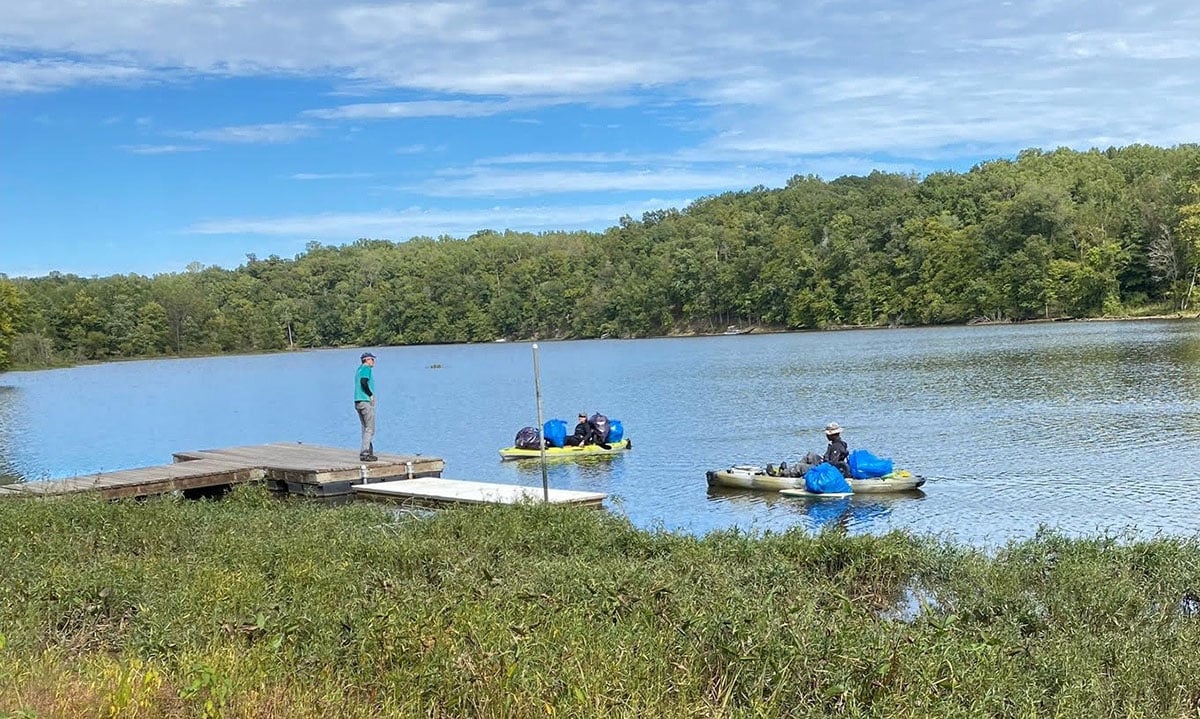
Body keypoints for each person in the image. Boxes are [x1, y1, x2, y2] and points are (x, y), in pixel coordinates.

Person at [354, 352, 377, 461]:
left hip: (357, 401)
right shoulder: (366, 369)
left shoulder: (359, 369)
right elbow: (364, 382)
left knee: (365, 427)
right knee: (370, 428)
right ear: (367, 360)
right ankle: (365, 453)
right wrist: (370, 395)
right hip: (364, 401)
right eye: (372, 359)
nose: (373, 361)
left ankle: (368, 450)